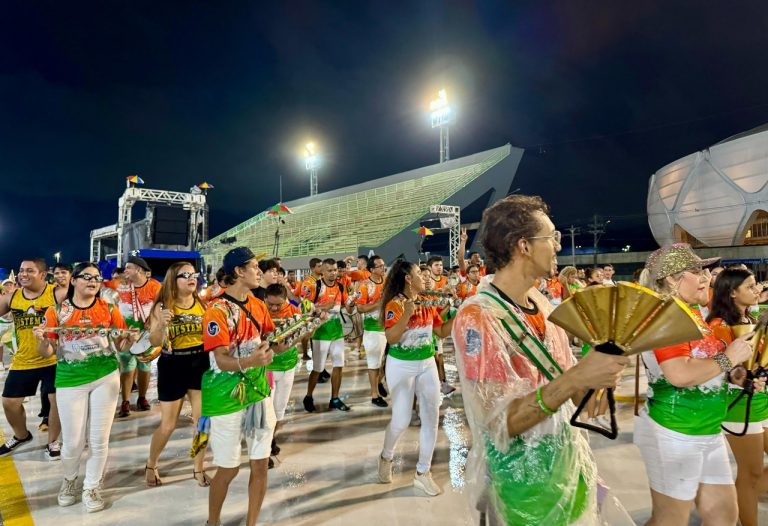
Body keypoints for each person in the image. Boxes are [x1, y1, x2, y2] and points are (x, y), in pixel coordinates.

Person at [451, 195, 629, 524]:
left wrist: (600, 373)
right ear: (524, 246)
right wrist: (576, 378)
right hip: (523, 488)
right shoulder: (479, 316)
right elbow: (499, 423)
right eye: (551, 237)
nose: (557, 246)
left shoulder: (544, 307)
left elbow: (583, 406)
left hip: (569, 471)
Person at [635, 244, 757, 525]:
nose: (706, 277)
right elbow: (678, 374)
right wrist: (727, 359)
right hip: (675, 433)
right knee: (670, 520)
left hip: (705, 429)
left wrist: (732, 378)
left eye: (704, 270)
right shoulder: (665, 315)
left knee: (724, 516)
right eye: (695, 271)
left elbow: (701, 366)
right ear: (670, 279)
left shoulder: (691, 314)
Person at [35, 262, 136, 512]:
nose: (93, 281)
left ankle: (91, 486)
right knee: (72, 442)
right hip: (70, 380)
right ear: (74, 281)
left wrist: (129, 339)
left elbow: (121, 348)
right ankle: (69, 481)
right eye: (87, 277)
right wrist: (40, 340)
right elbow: (47, 351)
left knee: (99, 440)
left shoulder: (109, 309)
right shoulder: (56, 311)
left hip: (106, 376)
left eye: (97, 278)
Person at [201, 247, 278, 526]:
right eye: (254, 266)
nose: (260, 271)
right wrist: (251, 359)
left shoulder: (258, 304)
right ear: (238, 271)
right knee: (229, 468)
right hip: (226, 397)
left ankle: (252, 523)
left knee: (260, 464)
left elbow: (271, 341)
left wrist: (294, 335)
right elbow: (221, 360)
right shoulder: (216, 310)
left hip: (258, 394)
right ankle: (213, 521)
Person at [377, 259, 454, 496]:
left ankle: (423, 473)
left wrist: (459, 317)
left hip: (427, 363)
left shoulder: (428, 302)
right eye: (419, 272)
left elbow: (440, 331)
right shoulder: (395, 305)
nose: (425, 275)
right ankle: (386, 456)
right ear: (408, 279)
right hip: (401, 366)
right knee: (400, 420)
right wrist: (406, 315)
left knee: (431, 417)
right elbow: (391, 338)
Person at [706, 268, 767, 526]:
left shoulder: (751, 318)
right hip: (739, 404)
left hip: (761, 400)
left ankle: (735, 501)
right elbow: (721, 369)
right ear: (731, 292)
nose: (757, 291)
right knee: (750, 473)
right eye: (750, 287)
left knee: (751, 477)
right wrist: (742, 376)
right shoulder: (718, 326)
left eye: (756, 285)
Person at [144, 262, 211, 487]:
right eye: (186, 275)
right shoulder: (163, 306)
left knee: (202, 421)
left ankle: (198, 468)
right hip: (173, 364)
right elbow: (153, 342)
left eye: (194, 274)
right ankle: (151, 464)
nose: (192, 278)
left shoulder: (202, 304)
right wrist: (160, 326)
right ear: (174, 279)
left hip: (200, 363)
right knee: (168, 425)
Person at [0, 258, 65, 459]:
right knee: (9, 402)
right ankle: (21, 435)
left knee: (56, 400)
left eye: (30, 270)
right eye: (21, 270)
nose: (23, 274)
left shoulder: (56, 293)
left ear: (43, 274)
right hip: (23, 359)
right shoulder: (12, 297)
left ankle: (53, 441)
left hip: (53, 358)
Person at [109, 255, 161, 417]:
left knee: (144, 366)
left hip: (146, 332)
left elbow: (162, 304)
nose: (125, 271)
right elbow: (108, 298)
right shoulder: (120, 285)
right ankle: (125, 401)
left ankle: (142, 398)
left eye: (128, 268)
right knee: (127, 366)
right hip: (127, 331)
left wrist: (153, 319)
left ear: (139, 270)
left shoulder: (154, 286)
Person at [302, 258, 354, 412]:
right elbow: (305, 309)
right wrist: (325, 307)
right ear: (322, 271)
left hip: (337, 332)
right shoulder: (315, 286)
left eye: (335, 270)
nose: (333, 273)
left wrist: (351, 304)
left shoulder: (340, 286)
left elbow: (348, 309)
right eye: (329, 270)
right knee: (318, 368)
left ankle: (335, 399)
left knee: (339, 365)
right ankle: (309, 396)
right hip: (320, 333)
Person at [264, 283, 303, 457]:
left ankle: (271, 439)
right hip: (267, 369)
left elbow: (301, 335)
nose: (273, 308)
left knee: (279, 409)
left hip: (288, 366)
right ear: (264, 299)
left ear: (285, 300)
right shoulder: (259, 312)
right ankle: (264, 448)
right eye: (270, 304)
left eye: (278, 305)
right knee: (266, 411)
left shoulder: (294, 312)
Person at [356, 255, 388, 407]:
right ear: (371, 270)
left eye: (383, 265)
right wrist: (379, 304)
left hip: (389, 327)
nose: (383, 268)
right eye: (380, 266)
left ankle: (379, 381)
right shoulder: (365, 285)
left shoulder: (387, 282)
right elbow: (360, 308)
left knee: (386, 363)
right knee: (374, 364)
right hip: (373, 329)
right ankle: (374, 395)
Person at [427, 255, 455, 396]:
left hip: (440, 321)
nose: (439, 267)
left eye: (441, 265)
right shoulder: (427, 284)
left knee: (439, 354)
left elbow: (449, 299)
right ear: (430, 267)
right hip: (430, 322)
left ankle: (442, 382)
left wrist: (451, 300)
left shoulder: (445, 281)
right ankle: (439, 383)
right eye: (436, 265)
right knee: (436, 356)